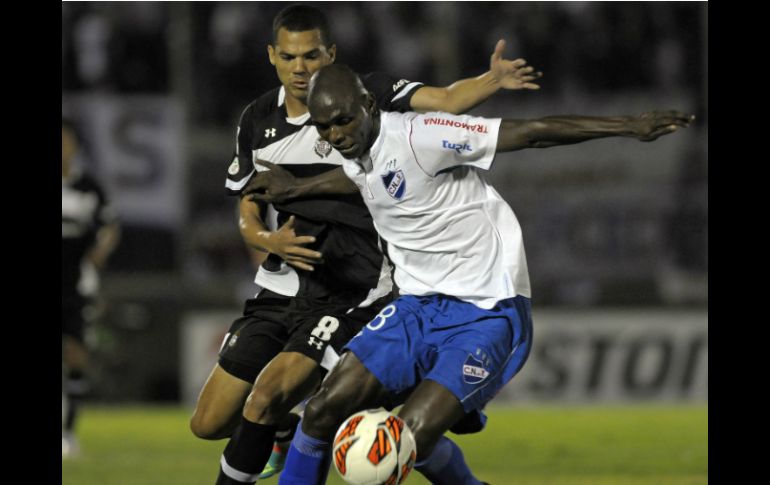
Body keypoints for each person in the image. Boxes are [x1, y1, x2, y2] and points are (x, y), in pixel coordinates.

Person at [242, 64, 695, 485]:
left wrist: (628, 126)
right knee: (321, 411)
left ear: (370, 106)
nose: (336, 135)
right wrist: (298, 188)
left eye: (342, 120)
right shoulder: (357, 148)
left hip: (486, 309)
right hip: (415, 308)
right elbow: (361, 177)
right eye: (324, 127)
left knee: (409, 438)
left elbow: (531, 133)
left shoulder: (424, 136)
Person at [187, 5, 543, 484]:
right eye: (290, 57)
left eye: (311, 55)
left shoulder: (362, 96)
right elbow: (248, 204)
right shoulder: (257, 120)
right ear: (272, 56)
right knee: (209, 422)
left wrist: (490, 80)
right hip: (281, 285)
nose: (301, 68)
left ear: (329, 54)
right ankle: (287, 435)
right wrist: (262, 237)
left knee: (273, 396)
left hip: (351, 285)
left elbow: (443, 99)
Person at [62, 118, 121, 458]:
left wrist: (101, 250)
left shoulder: (88, 187)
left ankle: (68, 433)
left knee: (75, 354)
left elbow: (110, 225)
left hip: (75, 283)